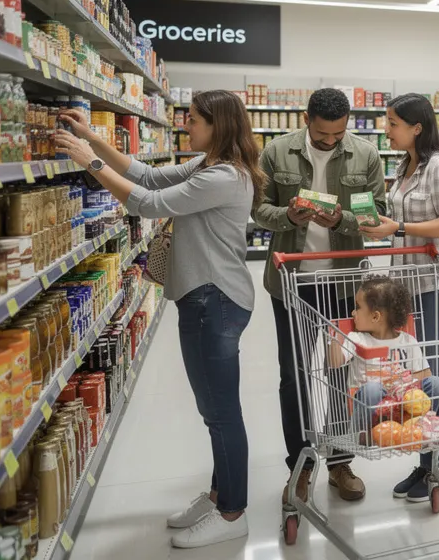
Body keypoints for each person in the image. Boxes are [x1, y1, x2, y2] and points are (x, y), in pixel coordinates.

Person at [52, 91, 262, 549]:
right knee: (213, 410)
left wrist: (90, 162)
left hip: (215, 299)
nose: (186, 125)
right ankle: (219, 496)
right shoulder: (208, 164)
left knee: (221, 411)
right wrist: (93, 139)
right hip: (205, 297)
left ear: (217, 125)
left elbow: (146, 203)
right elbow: (145, 175)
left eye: (193, 119)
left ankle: (233, 512)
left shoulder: (224, 176)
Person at [253, 88, 386, 505]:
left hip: (345, 288)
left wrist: (343, 219)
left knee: (342, 375)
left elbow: (373, 214)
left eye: (338, 134)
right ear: (306, 119)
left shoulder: (365, 155)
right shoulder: (276, 152)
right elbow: (258, 208)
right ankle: (301, 465)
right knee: (294, 376)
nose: (330, 141)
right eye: (322, 134)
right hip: (291, 284)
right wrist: (288, 216)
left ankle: (340, 462)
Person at [359, 94, 439, 501]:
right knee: (420, 378)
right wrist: (382, 224)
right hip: (412, 283)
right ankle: (425, 461)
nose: (386, 129)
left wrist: (400, 227)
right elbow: (402, 222)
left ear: (417, 127)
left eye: (392, 123)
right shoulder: (405, 166)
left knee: (438, 373)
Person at [328, 278, 439, 503]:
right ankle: (364, 435)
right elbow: (335, 363)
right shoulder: (357, 339)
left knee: (437, 384)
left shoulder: (408, 341)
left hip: (402, 412)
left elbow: (425, 376)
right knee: (373, 389)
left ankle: (427, 428)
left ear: (376, 316)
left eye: (357, 307)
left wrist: (405, 386)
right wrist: (333, 338)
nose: (352, 313)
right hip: (370, 415)